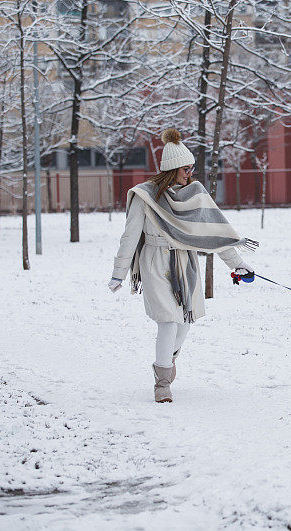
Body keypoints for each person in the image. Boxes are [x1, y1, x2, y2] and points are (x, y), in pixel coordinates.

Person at [108, 128, 256, 403]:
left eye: (192, 168)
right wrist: (119, 274)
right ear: (172, 169)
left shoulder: (194, 196)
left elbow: (215, 233)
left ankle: (167, 360)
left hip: (184, 263)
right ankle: (162, 384)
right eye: (186, 169)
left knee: (183, 324)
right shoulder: (145, 197)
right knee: (168, 322)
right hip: (154, 261)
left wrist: (238, 265)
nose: (190, 173)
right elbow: (129, 237)